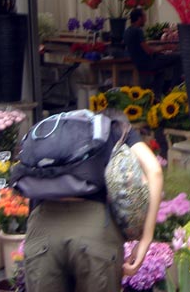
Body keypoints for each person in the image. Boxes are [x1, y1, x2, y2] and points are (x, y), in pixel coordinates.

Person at [23, 109, 163, 292]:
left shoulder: (50, 132)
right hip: (95, 230)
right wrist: (145, 238)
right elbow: (155, 171)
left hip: (43, 225)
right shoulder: (116, 129)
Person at [124, 8, 183, 94]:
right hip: (148, 63)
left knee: (160, 71)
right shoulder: (137, 31)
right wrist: (165, 47)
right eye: (144, 17)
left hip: (138, 63)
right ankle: (173, 87)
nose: (146, 19)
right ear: (139, 18)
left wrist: (159, 50)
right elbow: (148, 50)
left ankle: (157, 95)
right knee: (179, 57)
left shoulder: (127, 31)